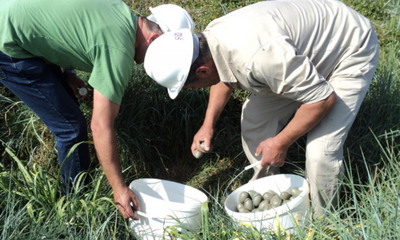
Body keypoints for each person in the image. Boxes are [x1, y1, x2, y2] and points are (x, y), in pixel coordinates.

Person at [143, 0, 379, 217]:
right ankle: (270, 192)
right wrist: (208, 125)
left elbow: (322, 100)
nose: (191, 90)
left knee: (319, 152)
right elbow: (224, 77)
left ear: (201, 72)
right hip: (297, 55)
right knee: (255, 119)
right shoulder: (209, 43)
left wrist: (282, 142)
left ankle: (323, 219)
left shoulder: (258, 58)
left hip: (348, 47)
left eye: (189, 87)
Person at [0, 0, 195, 219]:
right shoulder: (118, 49)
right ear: (155, 39)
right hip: (7, 43)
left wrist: (69, 73)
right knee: (70, 128)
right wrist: (119, 188)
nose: (146, 64)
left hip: (12, 14)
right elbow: (101, 126)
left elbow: (67, 22)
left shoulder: (117, 9)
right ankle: (72, 206)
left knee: (69, 110)